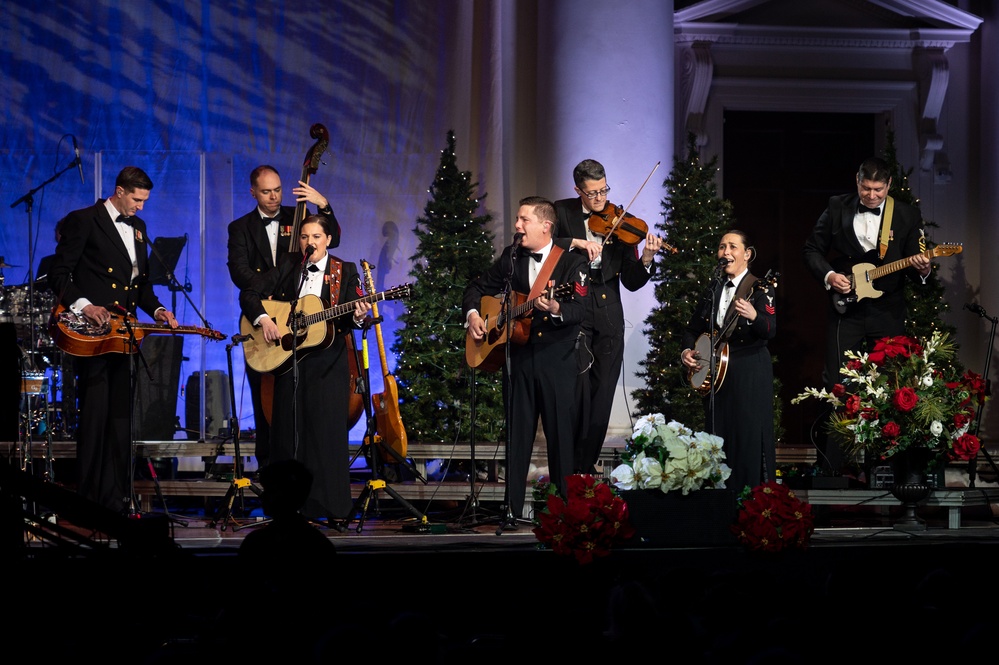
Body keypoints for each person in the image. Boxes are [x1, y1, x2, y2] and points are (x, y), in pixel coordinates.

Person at [48, 166, 179, 512]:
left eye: (145, 201)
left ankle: (116, 498)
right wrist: (85, 305)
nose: (141, 207)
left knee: (122, 416)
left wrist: (160, 310)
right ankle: (89, 500)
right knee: (96, 413)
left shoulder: (138, 228)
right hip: (93, 335)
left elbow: (141, 284)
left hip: (124, 334)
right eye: (137, 199)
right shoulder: (84, 220)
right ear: (119, 191)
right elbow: (59, 274)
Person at [238, 214, 370, 528]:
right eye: (304, 236)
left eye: (316, 237)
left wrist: (361, 316)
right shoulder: (288, 266)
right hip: (288, 362)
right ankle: (287, 509)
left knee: (327, 436)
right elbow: (249, 293)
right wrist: (265, 320)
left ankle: (333, 508)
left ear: (328, 240)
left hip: (329, 364)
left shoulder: (345, 271)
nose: (309, 242)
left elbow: (352, 317)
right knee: (287, 435)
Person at [463, 196, 589, 522]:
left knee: (560, 441)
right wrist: (475, 314)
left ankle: (565, 516)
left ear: (546, 226)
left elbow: (581, 309)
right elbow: (477, 286)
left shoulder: (572, 263)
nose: (517, 226)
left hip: (557, 363)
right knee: (516, 440)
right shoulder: (512, 257)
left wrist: (558, 308)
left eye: (523, 220)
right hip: (517, 361)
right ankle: (511, 510)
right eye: (517, 220)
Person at [803, 156, 931, 473]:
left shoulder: (906, 213)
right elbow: (811, 249)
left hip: (888, 310)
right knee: (837, 385)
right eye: (865, 188)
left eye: (877, 189)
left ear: (888, 186)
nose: (871, 196)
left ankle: (888, 472)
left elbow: (918, 264)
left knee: (892, 388)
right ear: (856, 180)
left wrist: (925, 269)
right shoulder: (837, 207)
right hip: (845, 309)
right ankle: (833, 471)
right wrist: (830, 276)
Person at [552, 159, 664, 474]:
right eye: (592, 193)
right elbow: (543, 245)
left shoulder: (620, 220)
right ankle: (567, 467)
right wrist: (576, 242)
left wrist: (647, 257)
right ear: (578, 191)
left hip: (608, 312)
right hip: (572, 307)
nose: (600, 199)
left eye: (604, 190)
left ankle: (585, 468)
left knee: (602, 395)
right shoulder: (562, 212)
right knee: (577, 391)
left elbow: (631, 281)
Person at [226, 164, 340, 471]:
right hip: (263, 317)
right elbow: (241, 274)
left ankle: (306, 470)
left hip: (299, 325)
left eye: (278, 189)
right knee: (266, 405)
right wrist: (268, 305)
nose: (274, 196)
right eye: (266, 191)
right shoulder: (240, 228)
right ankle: (270, 472)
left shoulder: (300, 217)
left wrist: (323, 204)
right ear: (253, 192)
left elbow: (333, 238)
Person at [680, 230, 776, 494]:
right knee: (718, 436)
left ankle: (748, 501)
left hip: (749, 370)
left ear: (747, 254)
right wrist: (686, 351)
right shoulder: (713, 288)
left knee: (746, 438)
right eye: (722, 247)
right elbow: (692, 329)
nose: (726, 252)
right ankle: (719, 501)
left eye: (733, 247)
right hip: (718, 375)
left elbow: (770, 330)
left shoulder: (761, 288)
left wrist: (755, 316)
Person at [238, 458, 337, 563]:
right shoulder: (320, 544)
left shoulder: (256, 543)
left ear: (288, 495)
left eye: (270, 491)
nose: (264, 496)